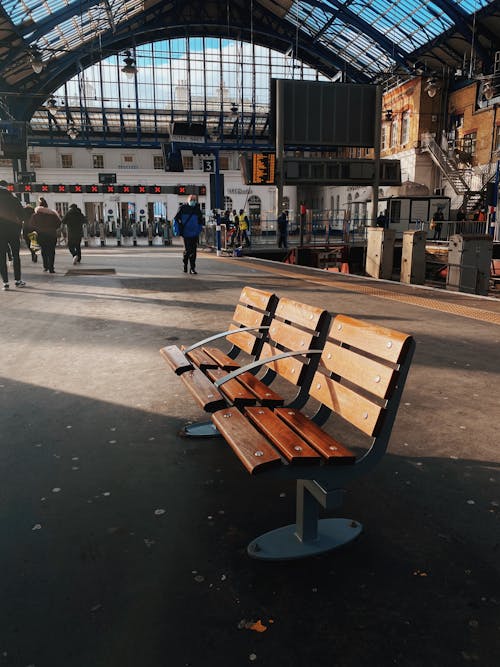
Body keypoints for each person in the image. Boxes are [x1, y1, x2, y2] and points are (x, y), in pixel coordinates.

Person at [0, 181, 30, 290]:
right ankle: (18, 281)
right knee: (16, 256)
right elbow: (23, 216)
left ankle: (5, 283)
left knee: (1, 257)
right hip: (13, 231)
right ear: (7, 188)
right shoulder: (13, 199)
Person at [174, 194, 204, 274]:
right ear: (188, 200)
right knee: (187, 251)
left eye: (194, 200)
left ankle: (192, 268)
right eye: (191, 199)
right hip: (185, 234)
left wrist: (198, 230)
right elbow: (176, 219)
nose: (193, 201)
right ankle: (185, 264)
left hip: (194, 234)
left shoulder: (197, 210)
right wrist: (177, 230)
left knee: (193, 252)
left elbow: (201, 222)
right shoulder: (182, 208)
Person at [30, 197, 61, 273]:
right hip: (52, 235)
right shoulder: (53, 215)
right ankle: (51, 268)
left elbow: (32, 225)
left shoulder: (35, 215)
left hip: (41, 235)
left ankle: (45, 266)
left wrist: (38, 229)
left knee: (44, 250)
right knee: (51, 251)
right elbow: (58, 224)